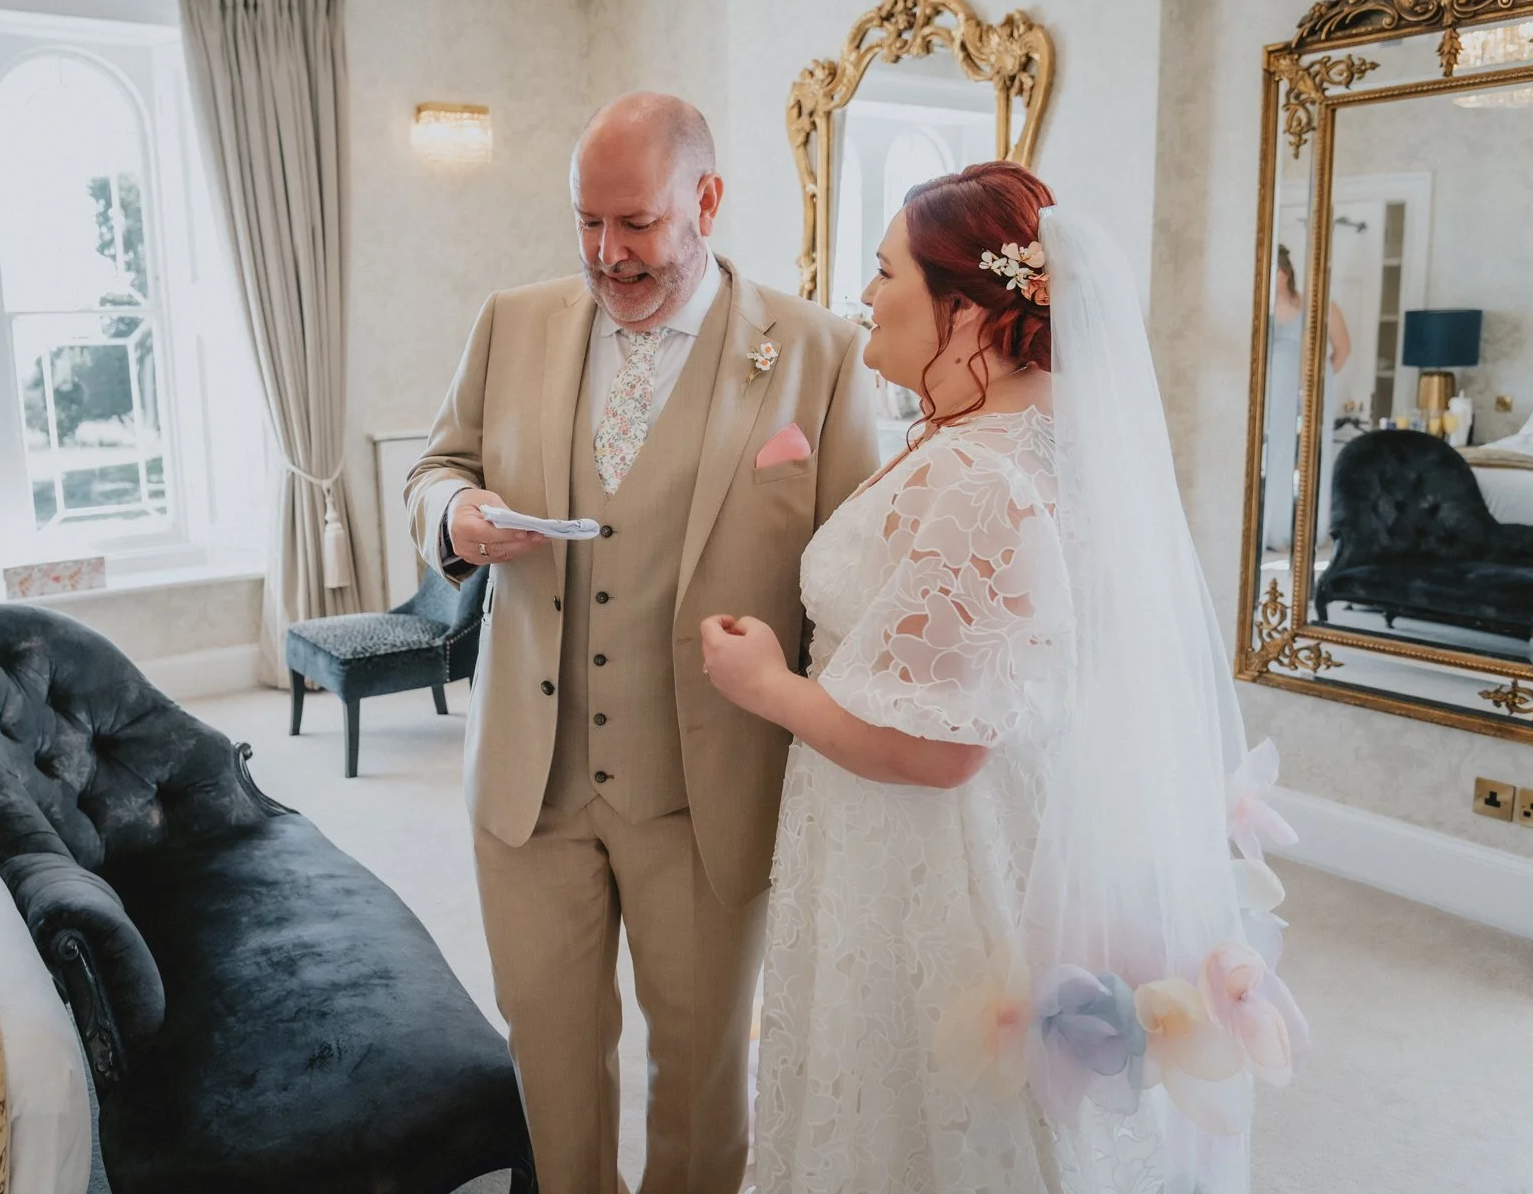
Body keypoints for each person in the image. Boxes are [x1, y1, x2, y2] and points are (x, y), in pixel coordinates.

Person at [702, 162, 1307, 1191]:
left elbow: (935, 749)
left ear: (969, 308)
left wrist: (764, 682)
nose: (862, 293)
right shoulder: (1049, 444)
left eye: (885, 270)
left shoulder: (979, 476)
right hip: (1015, 822)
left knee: (921, 1116)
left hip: (925, 853)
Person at [406, 93, 881, 1194]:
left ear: (706, 200)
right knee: (551, 1060)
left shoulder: (817, 352)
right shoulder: (511, 321)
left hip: (707, 790)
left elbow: (853, 576)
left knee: (704, 1073)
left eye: (635, 224)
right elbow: (436, 466)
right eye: (586, 223)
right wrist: (455, 517)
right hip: (531, 781)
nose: (606, 254)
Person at [1262, 243, 1351, 552]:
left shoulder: (1320, 305)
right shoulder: (1263, 309)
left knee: (1313, 455)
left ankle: (1311, 530)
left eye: (1272, 272)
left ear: (1285, 273)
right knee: (1277, 457)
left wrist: (1317, 383)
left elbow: (1342, 350)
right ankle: (1275, 529)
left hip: (1312, 392)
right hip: (1275, 394)